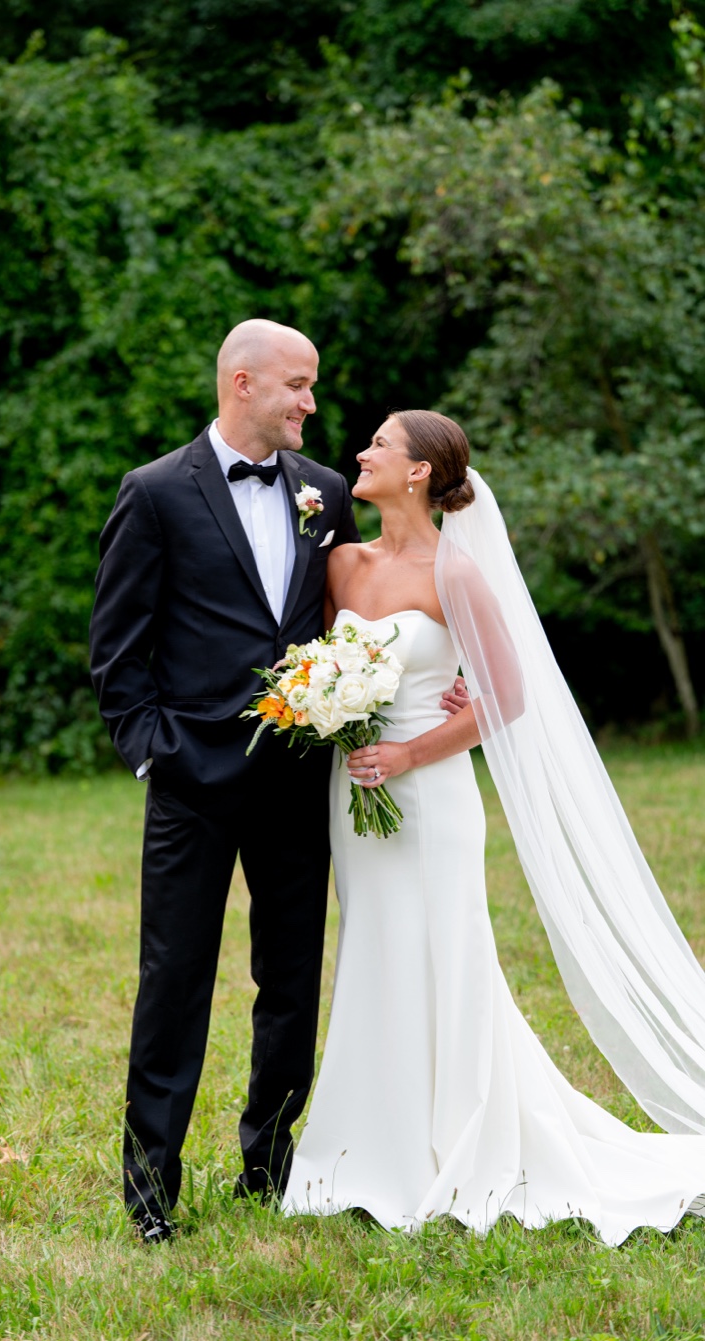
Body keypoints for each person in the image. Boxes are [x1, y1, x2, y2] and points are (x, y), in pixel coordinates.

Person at [283, 409, 705, 1241]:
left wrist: (414, 751)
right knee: (372, 944)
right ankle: (372, 1137)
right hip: (356, 794)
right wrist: (327, 711)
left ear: (416, 474)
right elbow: (320, 663)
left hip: (431, 796)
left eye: (379, 445)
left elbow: (506, 698)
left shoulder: (458, 574)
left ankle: (458, 1137)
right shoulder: (340, 564)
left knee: (446, 949)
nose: (360, 453)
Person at [89, 320, 366, 1242]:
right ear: (241, 383)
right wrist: (155, 751)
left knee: (290, 978)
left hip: (298, 780)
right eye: (297, 385)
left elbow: (351, 627)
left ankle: (271, 1161)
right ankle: (150, 1189)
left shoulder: (325, 493)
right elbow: (116, 653)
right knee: (175, 979)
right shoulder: (156, 493)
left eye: (314, 387)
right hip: (192, 782)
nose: (310, 404)